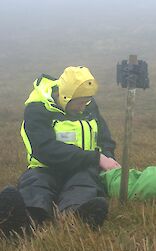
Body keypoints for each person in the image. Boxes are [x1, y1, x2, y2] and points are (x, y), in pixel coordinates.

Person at [0, 66, 121, 236]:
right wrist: (96, 158)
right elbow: (44, 149)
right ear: (65, 97)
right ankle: (22, 223)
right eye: (80, 102)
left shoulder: (88, 104)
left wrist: (107, 157)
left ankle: (76, 219)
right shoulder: (37, 109)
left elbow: (104, 138)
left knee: (85, 183)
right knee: (36, 184)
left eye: (87, 101)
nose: (83, 107)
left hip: (82, 168)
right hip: (45, 166)